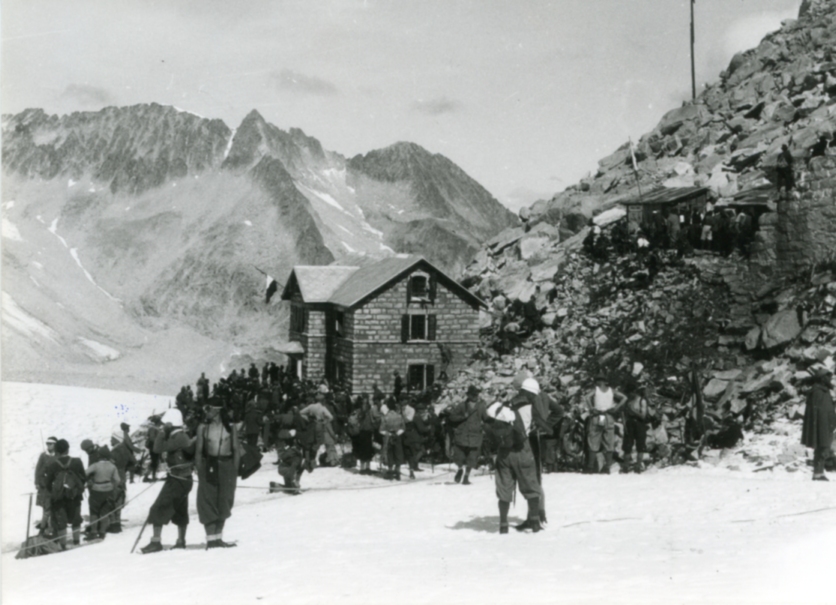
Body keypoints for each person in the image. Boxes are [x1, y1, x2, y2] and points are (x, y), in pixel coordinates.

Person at [140, 409, 196, 554]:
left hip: (177, 480)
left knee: (158, 507)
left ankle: (156, 542)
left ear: (170, 423)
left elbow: (157, 448)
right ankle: (181, 541)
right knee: (179, 508)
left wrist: (162, 432)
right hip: (182, 479)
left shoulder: (177, 437)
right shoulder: (180, 436)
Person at [485, 401, 540, 534]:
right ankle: (535, 522)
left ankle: (503, 525)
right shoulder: (517, 411)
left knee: (504, 489)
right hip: (523, 452)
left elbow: (489, 440)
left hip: (504, 454)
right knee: (530, 487)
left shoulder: (491, 420)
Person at [195, 401, 241, 548]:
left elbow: (236, 449)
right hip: (209, 466)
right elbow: (198, 452)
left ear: (217, 410)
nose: (205, 411)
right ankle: (211, 540)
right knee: (207, 500)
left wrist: (234, 470)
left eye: (208, 408)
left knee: (225, 500)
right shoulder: (202, 427)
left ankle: (218, 538)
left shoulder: (230, 427)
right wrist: (200, 472)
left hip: (227, 467)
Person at [43, 439, 85, 549]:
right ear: (68, 449)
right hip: (75, 496)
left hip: (59, 498)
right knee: (76, 519)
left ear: (56, 451)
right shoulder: (77, 461)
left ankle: (63, 545)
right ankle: (76, 541)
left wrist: (56, 492)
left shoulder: (53, 465)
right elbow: (83, 477)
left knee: (61, 521)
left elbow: (47, 484)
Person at [585, 374, 627, 474]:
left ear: (599, 381)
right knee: (609, 441)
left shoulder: (596, 390)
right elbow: (624, 398)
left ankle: (590, 467)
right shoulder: (611, 390)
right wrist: (616, 408)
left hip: (597, 415)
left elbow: (586, 397)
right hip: (608, 416)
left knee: (593, 439)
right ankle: (607, 467)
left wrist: (591, 408)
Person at [801, 367, 836, 481]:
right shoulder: (817, 392)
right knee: (822, 448)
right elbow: (816, 412)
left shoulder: (824, 391)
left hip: (827, 424)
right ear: (821, 379)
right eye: (827, 377)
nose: (829, 379)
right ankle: (817, 473)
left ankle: (819, 472)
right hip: (822, 425)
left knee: (824, 448)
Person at [446, 385, 485, 485]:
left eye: (476, 394)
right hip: (462, 434)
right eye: (473, 394)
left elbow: (485, 418)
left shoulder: (481, 406)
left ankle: (466, 477)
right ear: (469, 395)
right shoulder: (461, 406)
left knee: (472, 457)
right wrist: (463, 416)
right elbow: (452, 417)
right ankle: (460, 469)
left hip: (475, 436)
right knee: (459, 456)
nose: (475, 396)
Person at [85, 447, 120, 540]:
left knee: (94, 511)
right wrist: (112, 487)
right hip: (108, 490)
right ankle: (102, 532)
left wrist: (90, 482)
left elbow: (85, 473)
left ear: (99, 455)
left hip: (96, 490)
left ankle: (93, 532)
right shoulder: (112, 466)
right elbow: (117, 480)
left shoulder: (95, 465)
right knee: (104, 512)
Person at [622, 385, 654, 473]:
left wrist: (633, 410)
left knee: (640, 445)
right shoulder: (629, 401)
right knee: (627, 445)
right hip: (629, 423)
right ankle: (625, 466)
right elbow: (624, 414)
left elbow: (643, 416)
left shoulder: (642, 401)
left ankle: (638, 466)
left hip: (639, 423)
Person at [35, 436, 57, 531]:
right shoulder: (43, 456)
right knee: (46, 507)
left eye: (51, 444)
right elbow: (38, 469)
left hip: (55, 486)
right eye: (47, 444)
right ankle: (43, 528)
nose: (49, 446)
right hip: (44, 486)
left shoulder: (58, 455)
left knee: (54, 507)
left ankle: (52, 526)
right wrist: (37, 482)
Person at [379, 401, 406, 480]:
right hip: (397, 436)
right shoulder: (399, 416)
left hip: (389, 437)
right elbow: (403, 428)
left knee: (389, 453)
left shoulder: (385, 417)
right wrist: (397, 433)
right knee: (398, 453)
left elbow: (381, 430)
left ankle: (390, 472)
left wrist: (389, 434)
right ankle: (397, 472)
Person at [143, 416, 163, 482]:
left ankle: (151, 476)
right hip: (153, 447)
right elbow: (152, 438)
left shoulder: (155, 428)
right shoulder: (153, 428)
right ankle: (147, 477)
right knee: (154, 462)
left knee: (155, 462)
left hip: (155, 447)